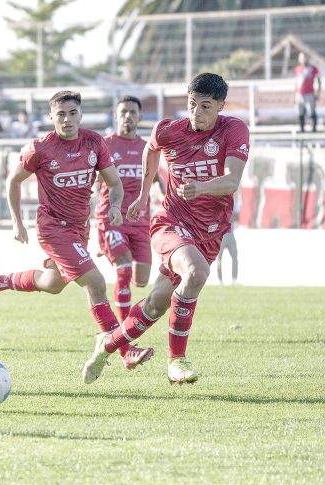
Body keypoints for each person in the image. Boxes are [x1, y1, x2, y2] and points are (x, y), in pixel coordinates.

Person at [83, 72, 250, 385]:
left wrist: (200, 187)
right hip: (170, 222)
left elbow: (232, 181)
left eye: (205, 106)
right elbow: (151, 149)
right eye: (191, 105)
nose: (196, 113)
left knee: (155, 304)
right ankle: (177, 361)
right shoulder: (169, 130)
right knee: (196, 273)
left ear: (220, 106)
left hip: (210, 231)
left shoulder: (234, 129)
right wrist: (145, 195)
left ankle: (105, 346)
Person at [0, 90, 154, 381]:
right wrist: (16, 222)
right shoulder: (41, 148)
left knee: (52, 283)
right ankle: (123, 350)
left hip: (79, 228)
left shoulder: (94, 143)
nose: (67, 119)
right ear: (51, 117)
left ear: (80, 115)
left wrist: (117, 207)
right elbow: (13, 181)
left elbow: (115, 182)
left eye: (73, 113)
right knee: (95, 282)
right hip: (52, 227)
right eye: (61, 114)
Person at [95, 95, 163, 321]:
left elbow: (156, 181)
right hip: (111, 217)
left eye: (133, 112)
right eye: (123, 112)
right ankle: (123, 330)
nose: (128, 116)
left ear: (140, 117)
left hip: (140, 221)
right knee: (123, 269)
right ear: (116, 116)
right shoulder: (105, 144)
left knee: (141, 280)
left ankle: (110, 249)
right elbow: (90, 178)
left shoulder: (147, 149)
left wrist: (166, 199)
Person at [294, 52, 321, 132]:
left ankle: (313, 129)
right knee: (300, 113)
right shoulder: (297, 69)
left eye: (304, 57)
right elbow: (296, 82)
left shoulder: (312, 69)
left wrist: (317, 93)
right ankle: (302, 129)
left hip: (309, 93)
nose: (303, 59)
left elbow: (318, 81)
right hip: (299, 94)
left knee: (311, 112)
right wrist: (295, 94)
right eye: (301, 58)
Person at [217, 206, 239, 285]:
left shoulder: (232, 204)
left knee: (235, 257)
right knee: (219, 259)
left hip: (230, 234)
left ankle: (234, 279)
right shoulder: (219, 204)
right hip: (221, 235)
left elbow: (236, 217)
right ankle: (220, 280)